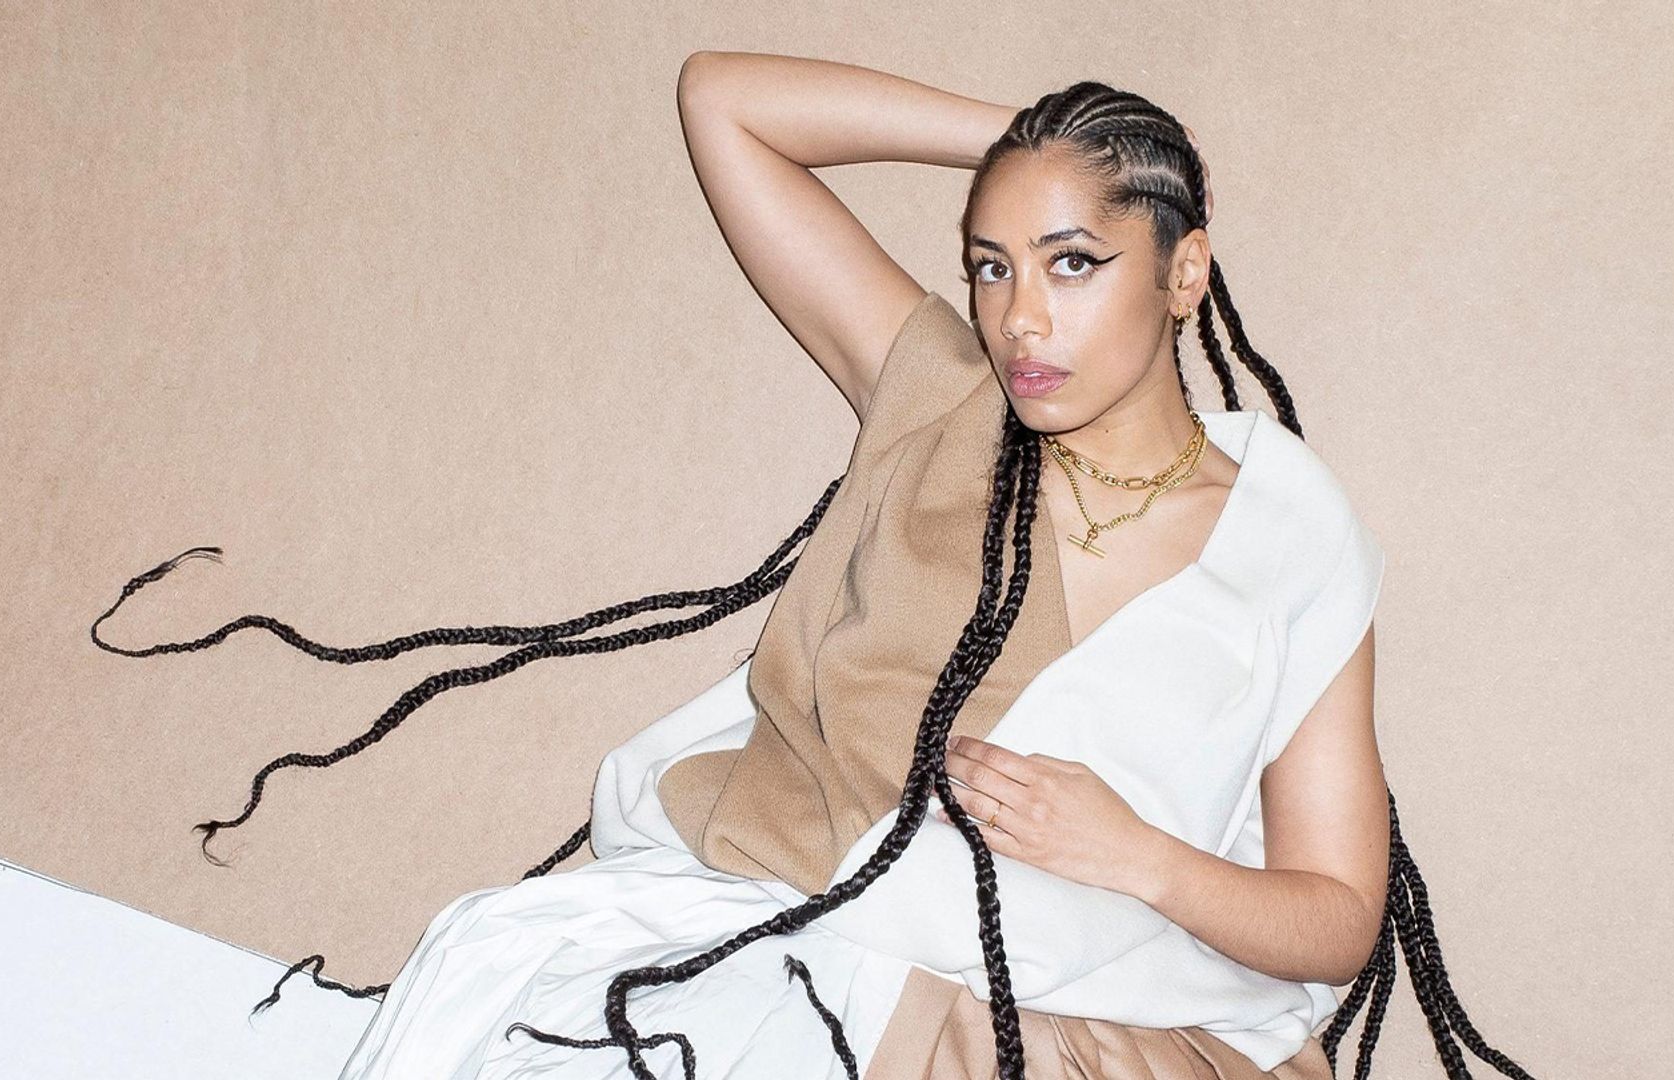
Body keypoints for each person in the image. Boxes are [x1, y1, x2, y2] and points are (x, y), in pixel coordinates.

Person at [94, 50, 1538, 1080]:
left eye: (1074, 262)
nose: (1021, 318)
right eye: (990, 264)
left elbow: (1336, 919)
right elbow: (723, 100)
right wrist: (1019, 146)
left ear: (1185, 270)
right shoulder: (941, 396)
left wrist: (1136, 853)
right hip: (813, 944)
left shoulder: (1289, 534)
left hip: (1107, 1018)